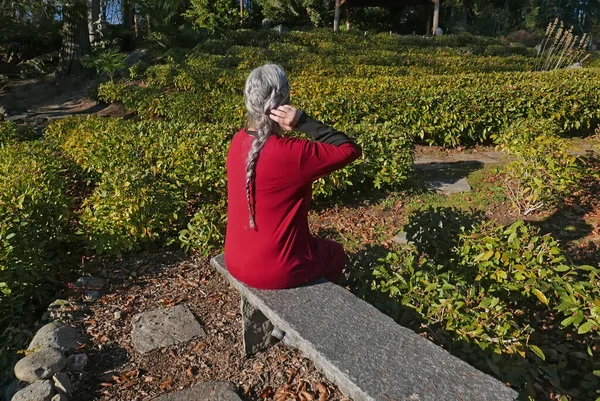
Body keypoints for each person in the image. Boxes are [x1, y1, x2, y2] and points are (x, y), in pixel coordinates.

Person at [224, 64, 362, 290]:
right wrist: (303, 122)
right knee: (334, 253)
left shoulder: (237, 141)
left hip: (235, 260)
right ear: (285, 101)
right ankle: (314, 314)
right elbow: (349, 149)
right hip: (277, 271)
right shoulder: (292, 152)